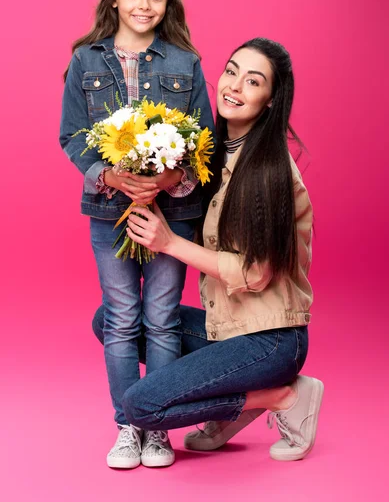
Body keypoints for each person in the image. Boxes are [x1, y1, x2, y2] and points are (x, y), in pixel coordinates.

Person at [93, 37, 324, 463]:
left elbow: (256, 274)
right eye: (232, 71)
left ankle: (276, 396)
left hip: (270, 341)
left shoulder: (271, 169)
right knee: (109, 320)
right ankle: (236, 396)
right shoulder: (210, 153)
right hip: (227, 328)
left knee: (139, 407)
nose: (234, 86)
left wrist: (170, 243)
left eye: (253, 81)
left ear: (271, 100)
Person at [59, 0, 214, 469]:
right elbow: (71, 136)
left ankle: (159, 427)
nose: (144, 5)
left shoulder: (184, 61)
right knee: (124, 319)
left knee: (163, 319)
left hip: (174, 212)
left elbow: (202, 137)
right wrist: (109, 175)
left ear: (167, 2)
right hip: (109, 212)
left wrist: (169, 177)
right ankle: (129, 424)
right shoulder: (85, 59)